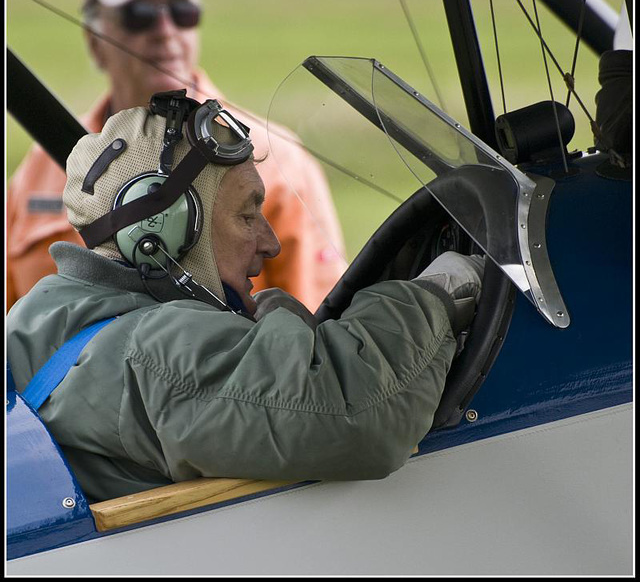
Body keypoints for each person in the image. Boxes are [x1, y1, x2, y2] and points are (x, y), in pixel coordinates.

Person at [7, 99, 485, 503]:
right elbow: (355, 412)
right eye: (247, 215)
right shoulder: (156, 348)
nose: (270, 242)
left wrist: (285, 342)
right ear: (164, 230)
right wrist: (439, 294)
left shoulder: (40, 314)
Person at [6, 0, 347, 313]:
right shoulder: (40, 167)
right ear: (94, 41)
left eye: (183, 11)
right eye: (139, 14)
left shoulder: (278, 158)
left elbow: (314, 322)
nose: (165, 30)